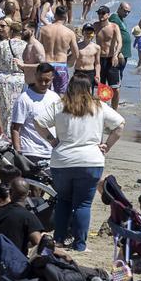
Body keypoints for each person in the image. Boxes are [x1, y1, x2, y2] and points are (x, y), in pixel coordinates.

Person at [36, 74, 124, 250]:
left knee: (63, 201)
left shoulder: (59, 105)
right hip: (91, 160)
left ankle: (59, 239)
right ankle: (80, 244)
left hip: (62, 160)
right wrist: (107, 145)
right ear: (89, 88)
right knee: (83, 204)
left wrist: (52, 140)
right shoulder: (98, 105)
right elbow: (120, 124)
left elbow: (38, 121)